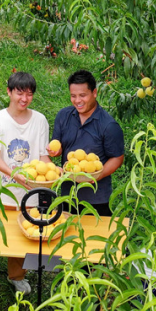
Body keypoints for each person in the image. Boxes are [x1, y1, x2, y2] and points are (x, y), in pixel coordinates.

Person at [0, 71, 51, 294]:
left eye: (29, 94)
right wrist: (14, 174)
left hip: (28, 194)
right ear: (9, 92)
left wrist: (52, 172)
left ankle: (16, 276)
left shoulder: (39, 120)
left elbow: (43, 157)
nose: (24, 98)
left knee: (23, 238)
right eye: (20, 93)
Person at [49, 69, 125, 217]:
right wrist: (55, 152)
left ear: (94, 93)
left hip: (96, 198)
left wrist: (97, 175)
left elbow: (117, 158)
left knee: (94, 238)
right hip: (67, 194)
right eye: (73, 96)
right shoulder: (63, 116)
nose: (77, 101)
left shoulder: (108, 125)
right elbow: (57, 145)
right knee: (66, 236)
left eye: (82, 95)